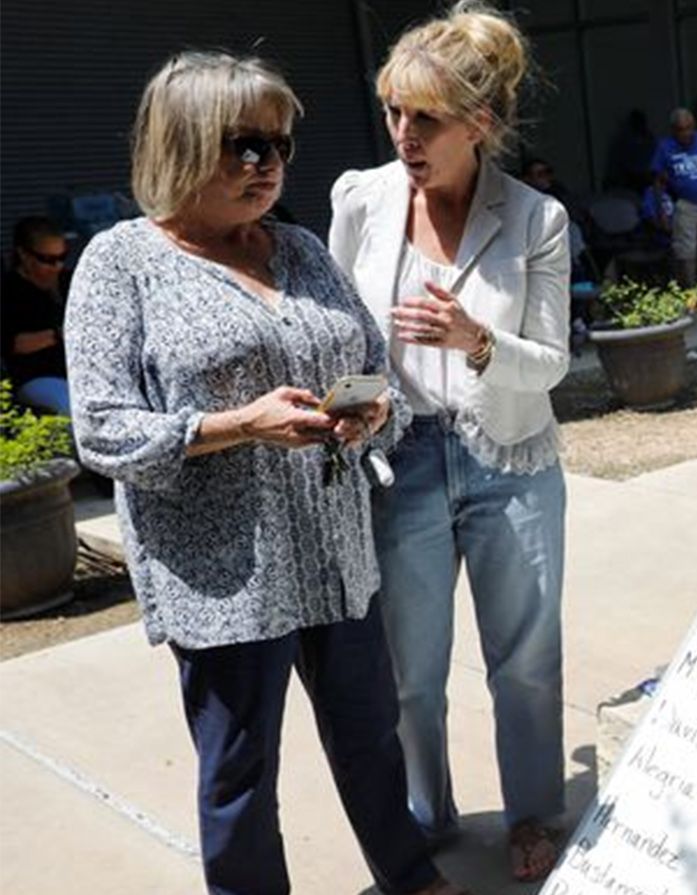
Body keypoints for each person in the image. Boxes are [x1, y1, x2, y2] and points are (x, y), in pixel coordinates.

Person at [63, 51, 462, 895]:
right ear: (181, 145)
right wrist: (238, 424)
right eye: (244, 146)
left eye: (279, 145)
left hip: (334, 548)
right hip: (224, 574)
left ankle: (410, 875)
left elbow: (370, 359)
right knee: (240, 768)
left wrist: (373, 406)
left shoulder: (301, 246)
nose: (269, 165)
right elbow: (100, 430)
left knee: (369, 734)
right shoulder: (119, 262)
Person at [328, 2, 572, 882]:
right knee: (409, 672)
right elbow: (342, 335)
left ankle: (535, 812)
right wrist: (356, 402)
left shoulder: (536, 218)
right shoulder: (361, 198)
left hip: (510, 459)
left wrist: (476, 339)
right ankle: (423, 815)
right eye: (395, 111)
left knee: (526, 661)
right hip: (402, 465)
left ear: (482, 123)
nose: (404, 134)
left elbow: (548, 364)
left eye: (425, 117)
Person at [2, 216, 70, 413]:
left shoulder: (69, 281)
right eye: (47, 260)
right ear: (24, 255)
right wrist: (58, 335)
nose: (57, 266)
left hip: (83, 373)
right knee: (69, 407)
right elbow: (11, 344)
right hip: (37, 377)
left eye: (62, 257)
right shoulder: (8, 291)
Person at [652, 108, 697, 286]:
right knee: (687, 251)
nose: (687, 134)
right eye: (682, 130)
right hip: (684, 203)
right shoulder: (665, 147)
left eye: (690, 128)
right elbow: (658, 182)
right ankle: (691, 291)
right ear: (674, 131)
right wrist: (661, 211)